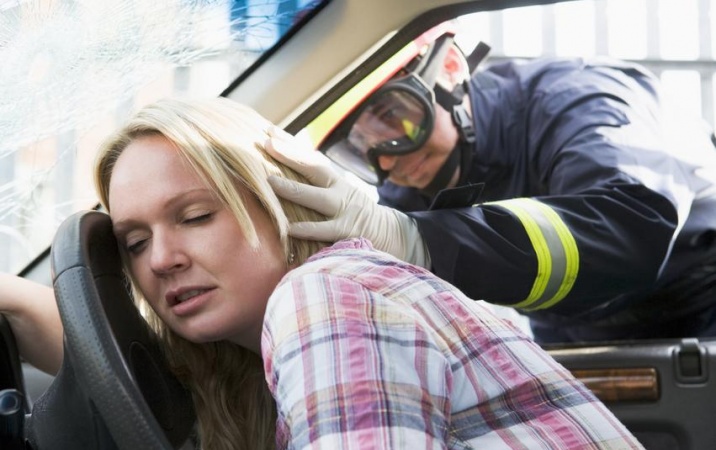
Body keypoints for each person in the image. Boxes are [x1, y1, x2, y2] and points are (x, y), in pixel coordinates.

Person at [1, 96, 643, 449]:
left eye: (195, 216)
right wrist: (22, 304)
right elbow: (132, 376)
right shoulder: (246, 359)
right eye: (135, 242)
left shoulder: (326, 297)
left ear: (284, 206)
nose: (161, 258)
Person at [264, 24, 716, 344]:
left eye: (395, 115)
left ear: (451, 69)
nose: (389, 159)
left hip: (701, 308)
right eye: (358, 148)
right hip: (575, 335)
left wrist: (420, 239)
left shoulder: (578, 102)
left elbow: (630, 226)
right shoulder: (410, 188)